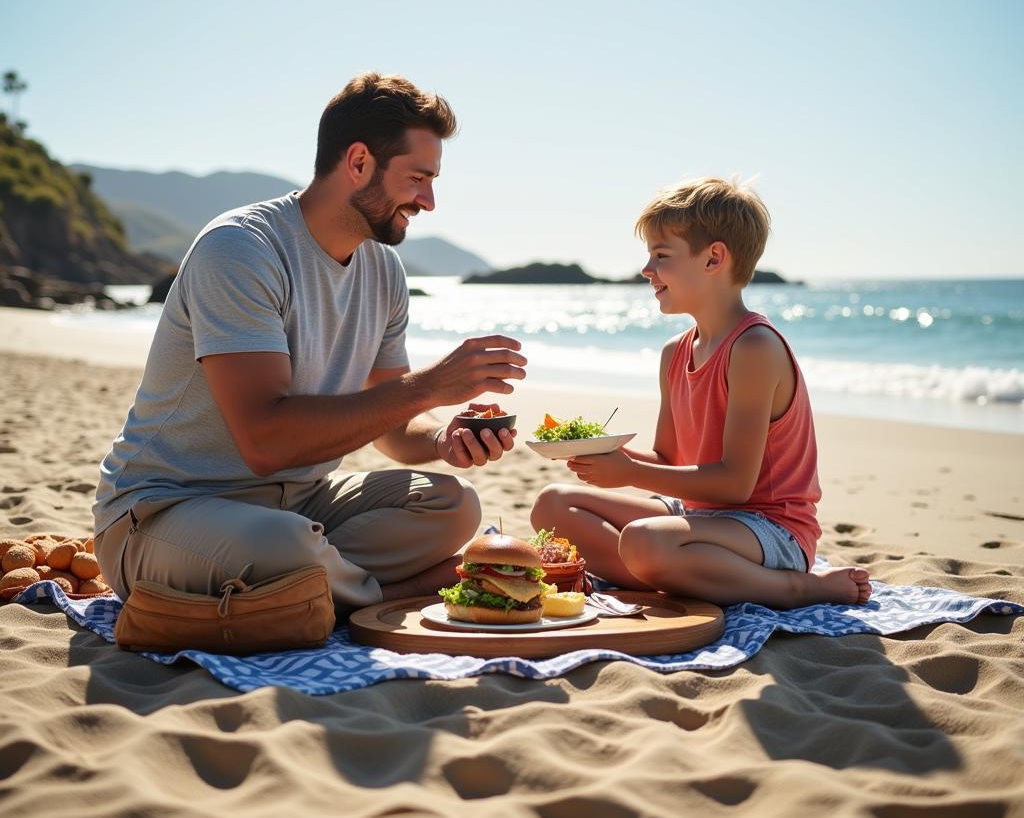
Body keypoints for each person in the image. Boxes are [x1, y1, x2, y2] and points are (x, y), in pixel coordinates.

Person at [94, 72, 527, 612]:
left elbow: (392, 423)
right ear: (359, 162)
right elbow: (266, 442)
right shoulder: (241, 249)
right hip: (168, 510)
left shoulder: (384, 271)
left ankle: (315, 586)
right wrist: (431, 385)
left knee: (453, 506)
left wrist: (443, 439)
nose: (430, 200)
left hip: (300, 506)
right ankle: (385, 592)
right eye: (418, 177)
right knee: (283, 545)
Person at [531, 177, 871, 609]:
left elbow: (733, 483)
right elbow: (671, 461)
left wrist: (629, 473)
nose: (646, 269)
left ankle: (801, 588)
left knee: (642, 542)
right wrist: (604, 456)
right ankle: (682, 577)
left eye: (661, 255)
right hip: (699, 519)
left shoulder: (754, 347)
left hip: (770, 529)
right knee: (552, 506)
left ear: (714, 258)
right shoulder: (675, 352)